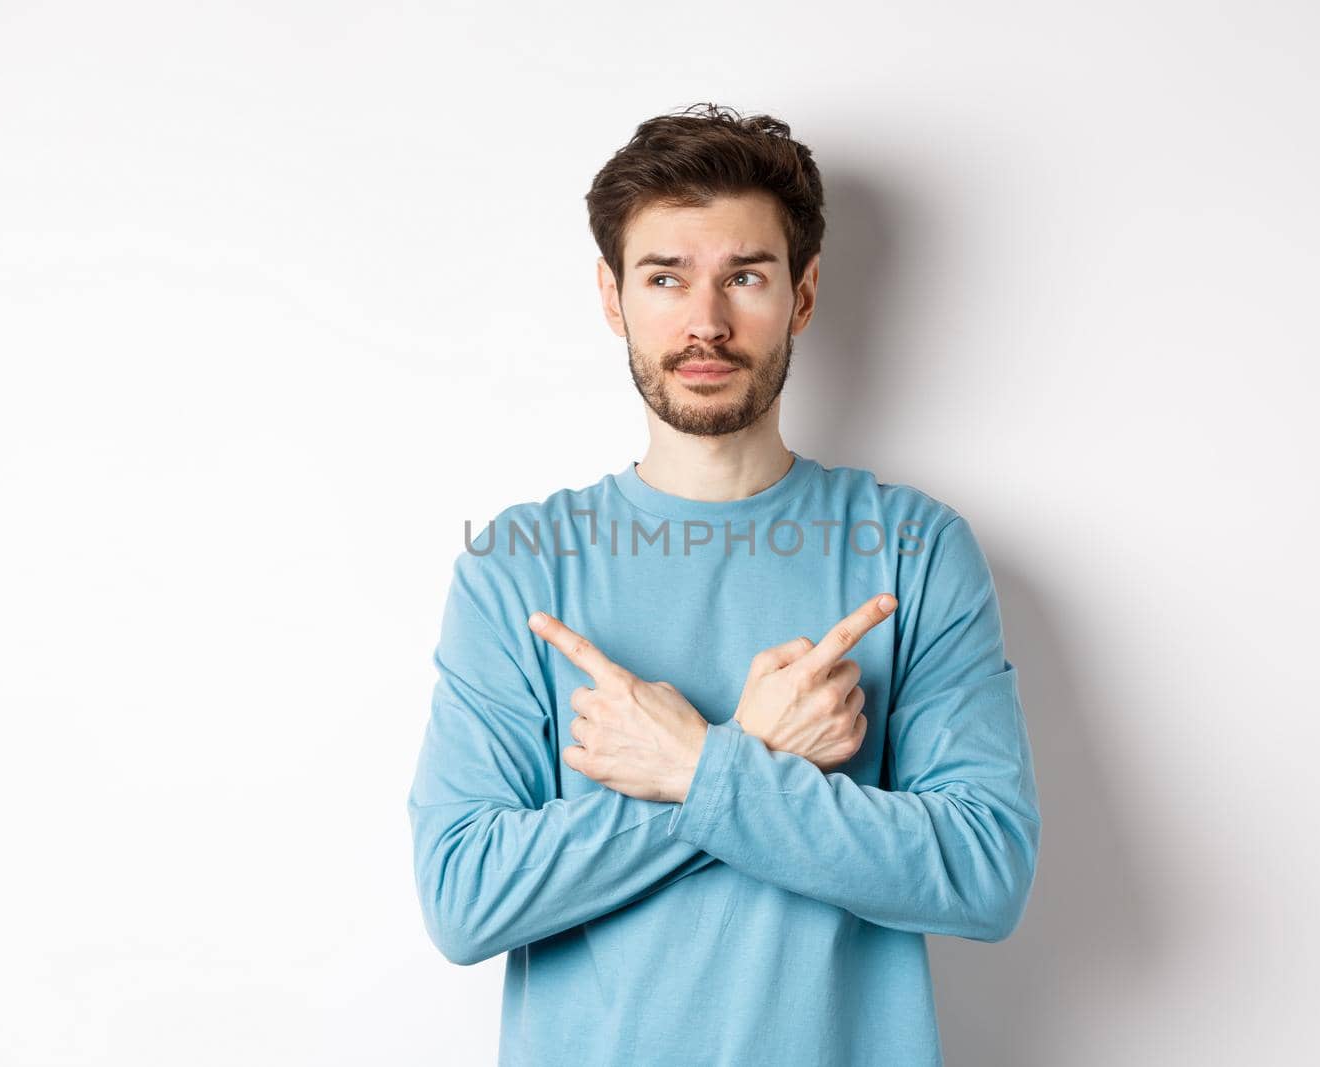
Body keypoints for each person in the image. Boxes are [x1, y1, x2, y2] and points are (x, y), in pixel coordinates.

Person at [406, 102, 1041, 1066]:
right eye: (666, 278)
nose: (706, 322)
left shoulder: (914, 548)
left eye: (744, 275)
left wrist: (696, 766)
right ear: (615, 299)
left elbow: (984, 870)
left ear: (805, 293)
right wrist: (748, 753)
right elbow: (464, 897)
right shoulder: (519, 562)